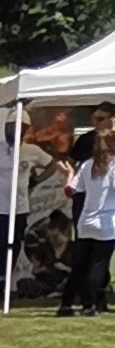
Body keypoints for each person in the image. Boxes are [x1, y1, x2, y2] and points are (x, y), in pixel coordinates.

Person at [59, 110, 115, 318]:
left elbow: (71, 191)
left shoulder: (86, 165)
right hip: (106, 224)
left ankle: (66, 304)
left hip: (85, 222)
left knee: (79, 266)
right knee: (98, 266)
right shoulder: (113, 167)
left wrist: (68, 175)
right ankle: (89, 305)